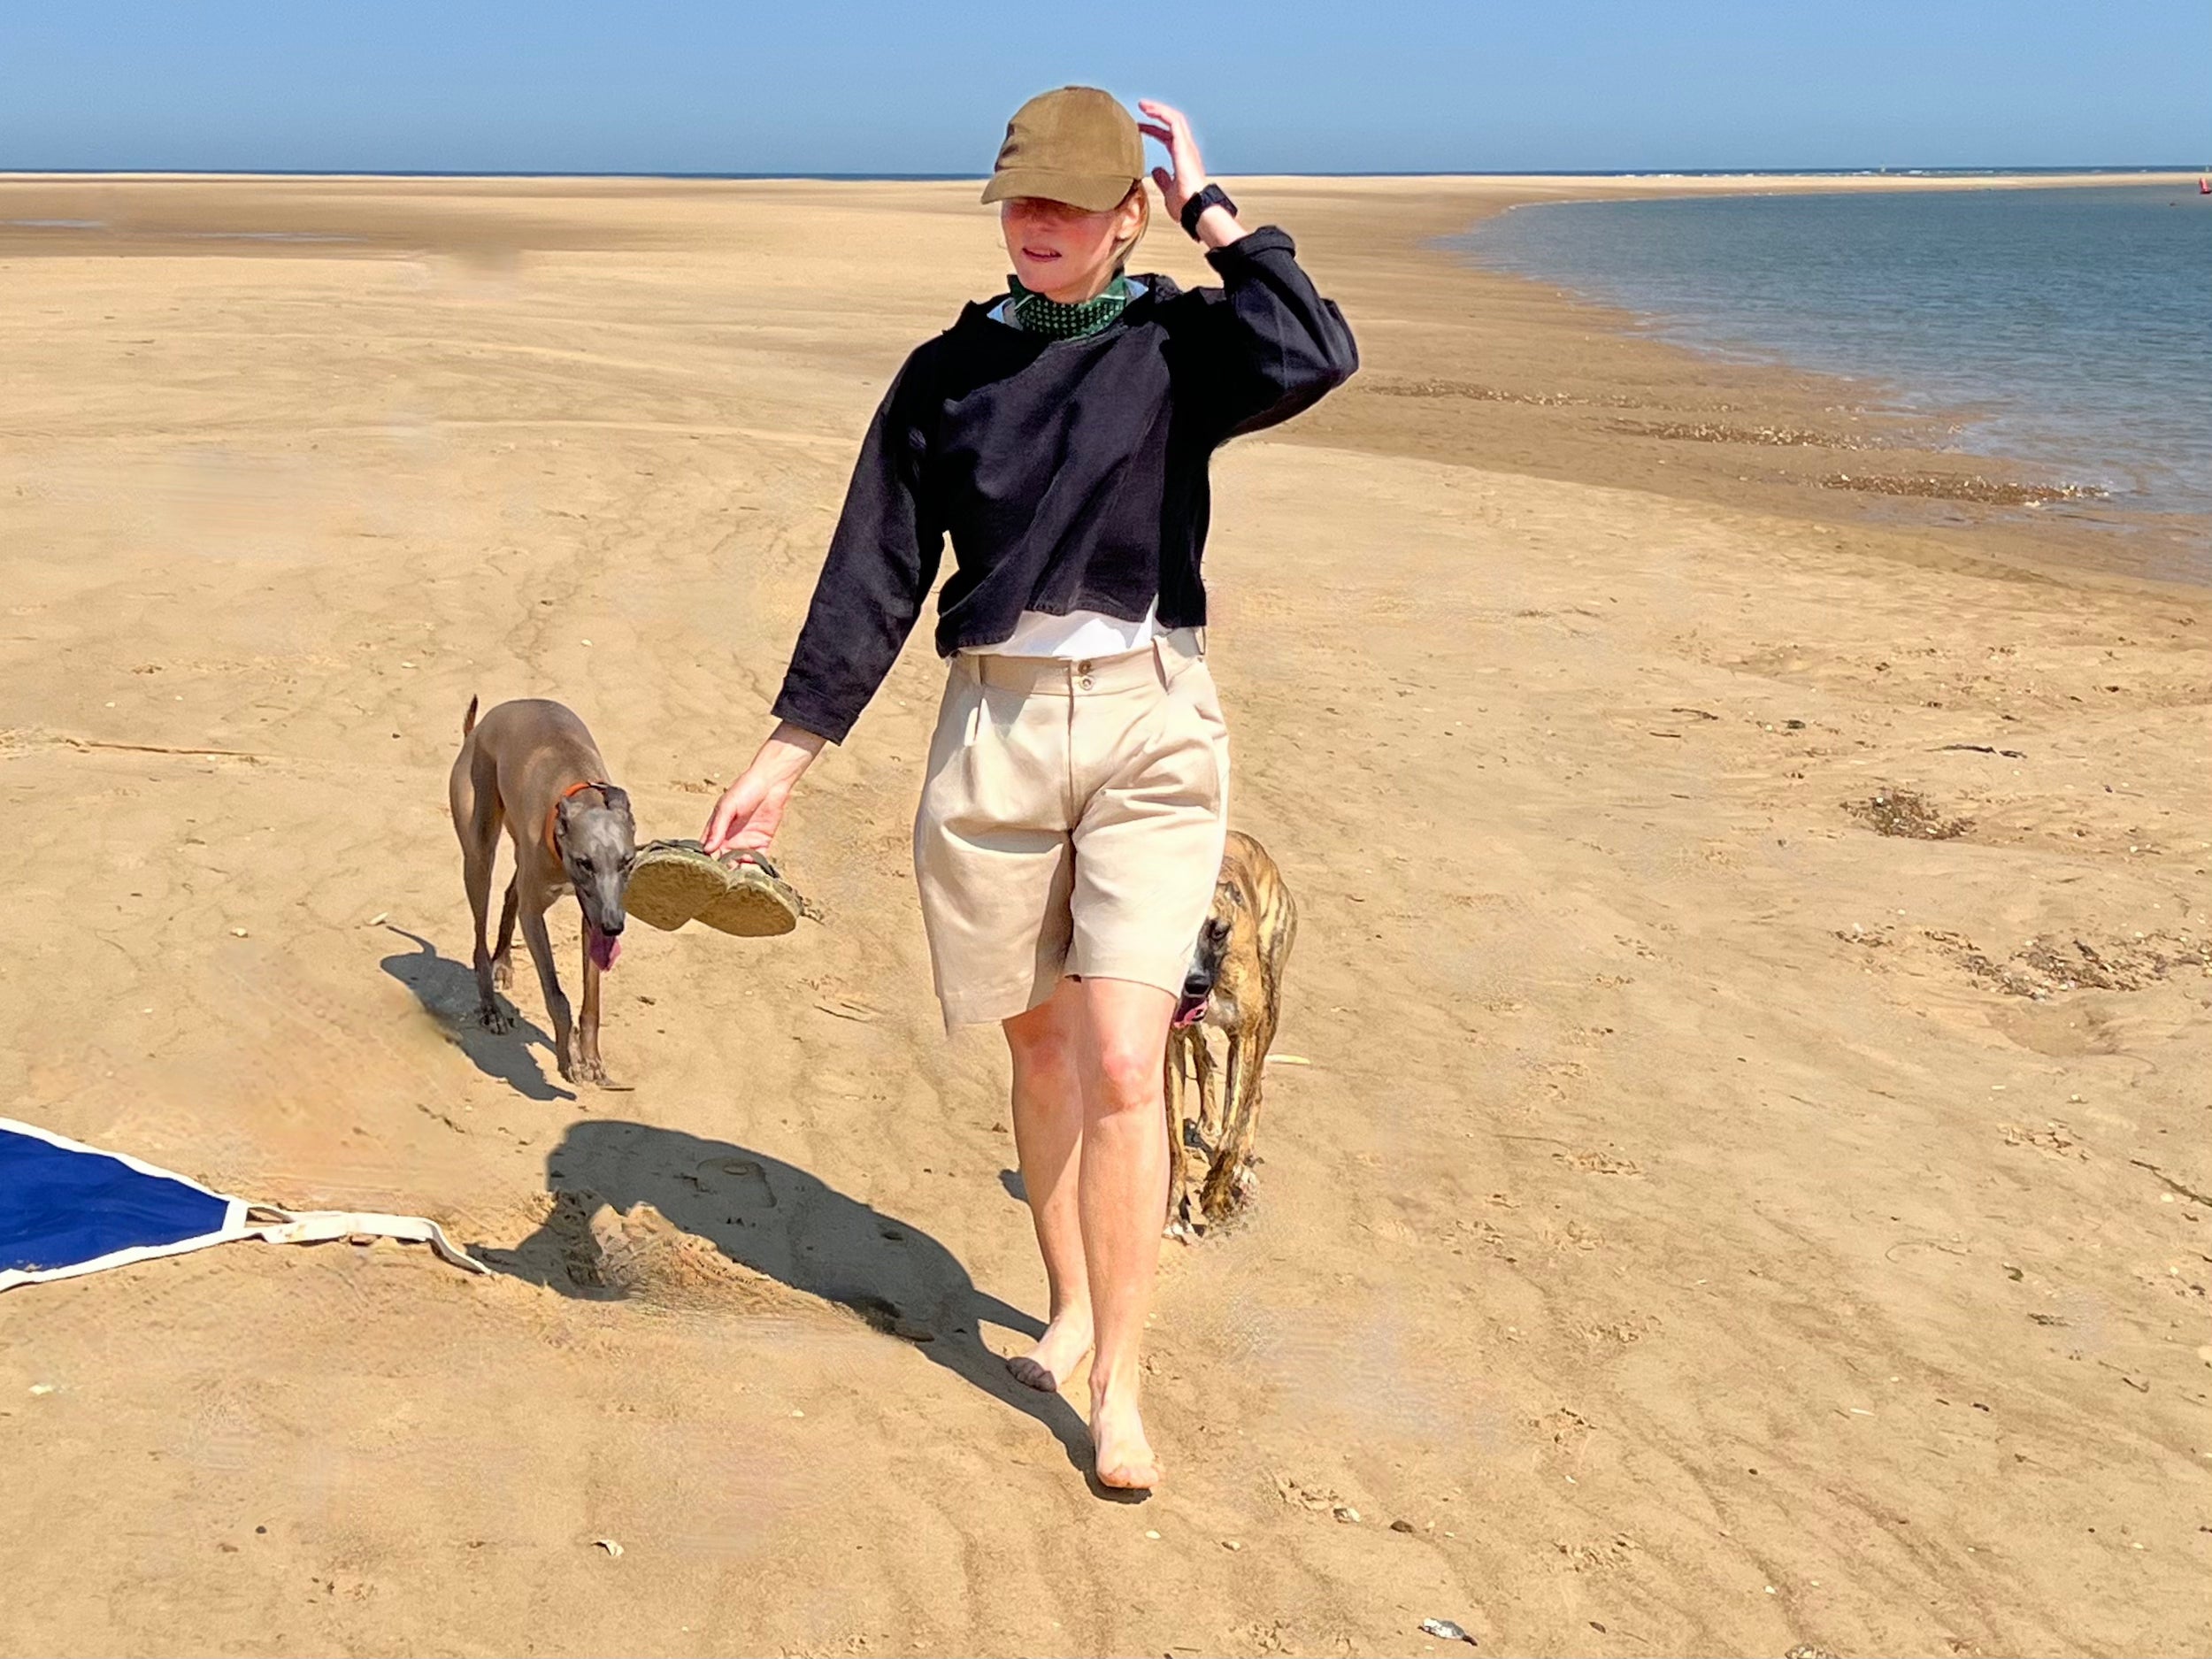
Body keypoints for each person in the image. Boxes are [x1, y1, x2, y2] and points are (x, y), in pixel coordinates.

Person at [702, 86, 1356, 1490]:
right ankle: (1067, 1305)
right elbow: (875, 571)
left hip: (1151, 728)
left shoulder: (1182, 344)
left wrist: (1214, 207)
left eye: (1073, 199)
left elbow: (1314, 349)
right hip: (990, 737)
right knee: (1043, 1051)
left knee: (1127, 1056)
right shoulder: (948, 373)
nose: (1039, 223)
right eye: (1021, 199)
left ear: (1131, 215)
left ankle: (1120, 1386)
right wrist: (786, 756)